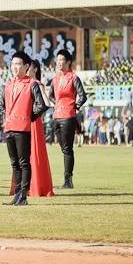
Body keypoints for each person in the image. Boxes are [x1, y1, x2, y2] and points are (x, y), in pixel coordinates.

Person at [0, 52, 46, 206]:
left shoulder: (32, 83)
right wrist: (6, 118)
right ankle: (17, 194)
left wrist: (29, 117)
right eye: (13, 64)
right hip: (9, 127)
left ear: (26, 66)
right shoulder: (8, 84)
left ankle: (24, 196)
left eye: (18, 64)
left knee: (24, 163)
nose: (15, 67)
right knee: (14, 164)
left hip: (22, 128)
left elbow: (41, 105)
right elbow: (2, 105)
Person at [10, 59, 55, 198]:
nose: (27, 69)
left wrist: (33, 113)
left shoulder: (36, 84)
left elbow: (47, 103)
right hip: (24, 122)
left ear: (34, 69)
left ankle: (33, 187)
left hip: (33, 122)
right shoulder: (24, 83)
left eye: (29, 67)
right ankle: (23, 187)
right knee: (23, 156)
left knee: (31, 155)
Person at [51, 49, 87, 189]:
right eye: (58, 60)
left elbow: (83, 96)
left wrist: (74, 106)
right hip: (57, 117)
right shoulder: (55, 78)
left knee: (67, 149)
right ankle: (67, 179)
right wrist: (57, 105)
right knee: (63, 149)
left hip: (68, 117)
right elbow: (50, 95)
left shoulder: (73, 78)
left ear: (68, 62)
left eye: (62, 60)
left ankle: (68, 180)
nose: (59, 63)